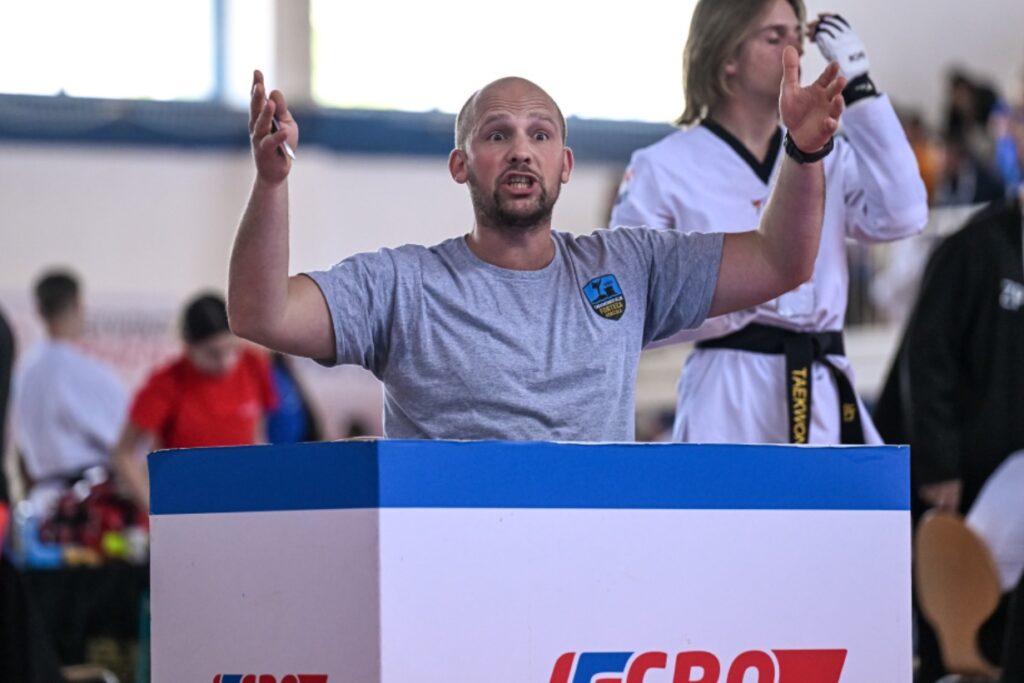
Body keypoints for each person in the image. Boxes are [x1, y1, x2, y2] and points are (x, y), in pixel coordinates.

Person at [227, 58, 846, 441]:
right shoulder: (403, 285)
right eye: (498, 135)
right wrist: (272, 183)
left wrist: (802, 151)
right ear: (460, 165)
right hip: (450, 575)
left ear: (565, 165)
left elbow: (781, 261)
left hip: (593, 568)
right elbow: (261, 313)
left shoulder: (630, 267)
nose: (522, 150)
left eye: (540, 135)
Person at [610, 1, 928, 445]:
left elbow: (905, 214)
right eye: (774, 37)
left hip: (821, 381)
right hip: (726, 391)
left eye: (797, 35)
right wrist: (746, 296)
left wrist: (860, 89)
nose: (793, 48)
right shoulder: (661, 166)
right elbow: (627, 303)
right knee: (728, 493)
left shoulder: (827, 153)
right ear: (727, 55)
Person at [873, 192, 1023, 683]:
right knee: (951, 629)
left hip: (1012, 485)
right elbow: (926, 356)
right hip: (959, 479)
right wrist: (938, 465)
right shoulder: (974, 247)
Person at [112, 293, 276, 510]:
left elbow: (258, 434)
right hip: (186, 501)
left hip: (242, 495)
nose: (225, 362)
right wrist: (156, 509)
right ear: (188, 346)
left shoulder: (253, 365)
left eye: (232, 349)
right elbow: (123, 453)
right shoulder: (166, 383)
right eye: (212, 354)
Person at [11, 270, 128, 518]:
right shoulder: (88, 373)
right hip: (85, 508)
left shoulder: (25, 370)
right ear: (78, 304)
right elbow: (125, 447)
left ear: (39, 310)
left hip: (38, 503)